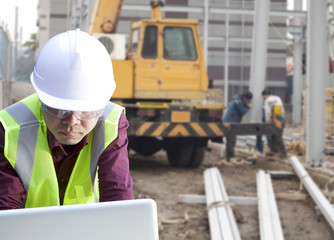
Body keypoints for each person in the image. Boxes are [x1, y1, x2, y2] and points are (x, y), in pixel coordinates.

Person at [0, 29, 133, 209]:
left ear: (101, 105)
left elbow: (118, 197)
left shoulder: (111, 123)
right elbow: (6, 208)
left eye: (85, 111)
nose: (72, 121)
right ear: (42, 100)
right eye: (59, 109)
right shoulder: (9, 128)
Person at [223, 91, 253, 161]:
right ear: (244, 98)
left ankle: (229, 156)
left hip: (233, 122)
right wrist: (248, 107)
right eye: (248, 100)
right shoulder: (237, 102)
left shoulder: (239, 100)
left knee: (232, 140)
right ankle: (230, 157)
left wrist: (246, 105)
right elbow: (242, 111)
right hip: (230, 123)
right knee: (231, 140)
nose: (248, 101)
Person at [261, 88, 286, 155]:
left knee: (270, 136)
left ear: (265, 95)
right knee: (279, 136)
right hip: (282, 118)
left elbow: (268, 113)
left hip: (274, 120)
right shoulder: (277, 98)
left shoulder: (266, 101)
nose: (263, 98)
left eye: (263, 96)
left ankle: (272, 151)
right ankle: (283, 153)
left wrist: (267, 123)